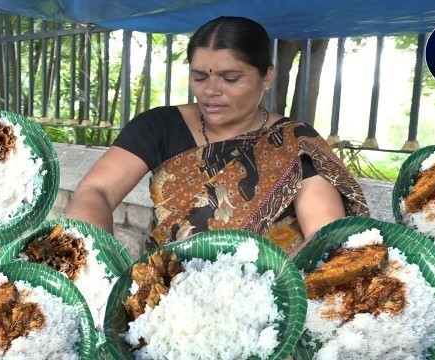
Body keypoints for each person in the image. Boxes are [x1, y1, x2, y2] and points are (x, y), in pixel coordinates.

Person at [66, 16, 368, 255]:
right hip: (166, 296)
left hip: (269, 300)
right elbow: (97, 191)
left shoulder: (294, 142)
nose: (211, 91)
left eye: (231, 78)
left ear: (267, 77)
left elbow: (323, 235)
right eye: (199, 77)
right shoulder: (159, 126)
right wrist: (94, 260)